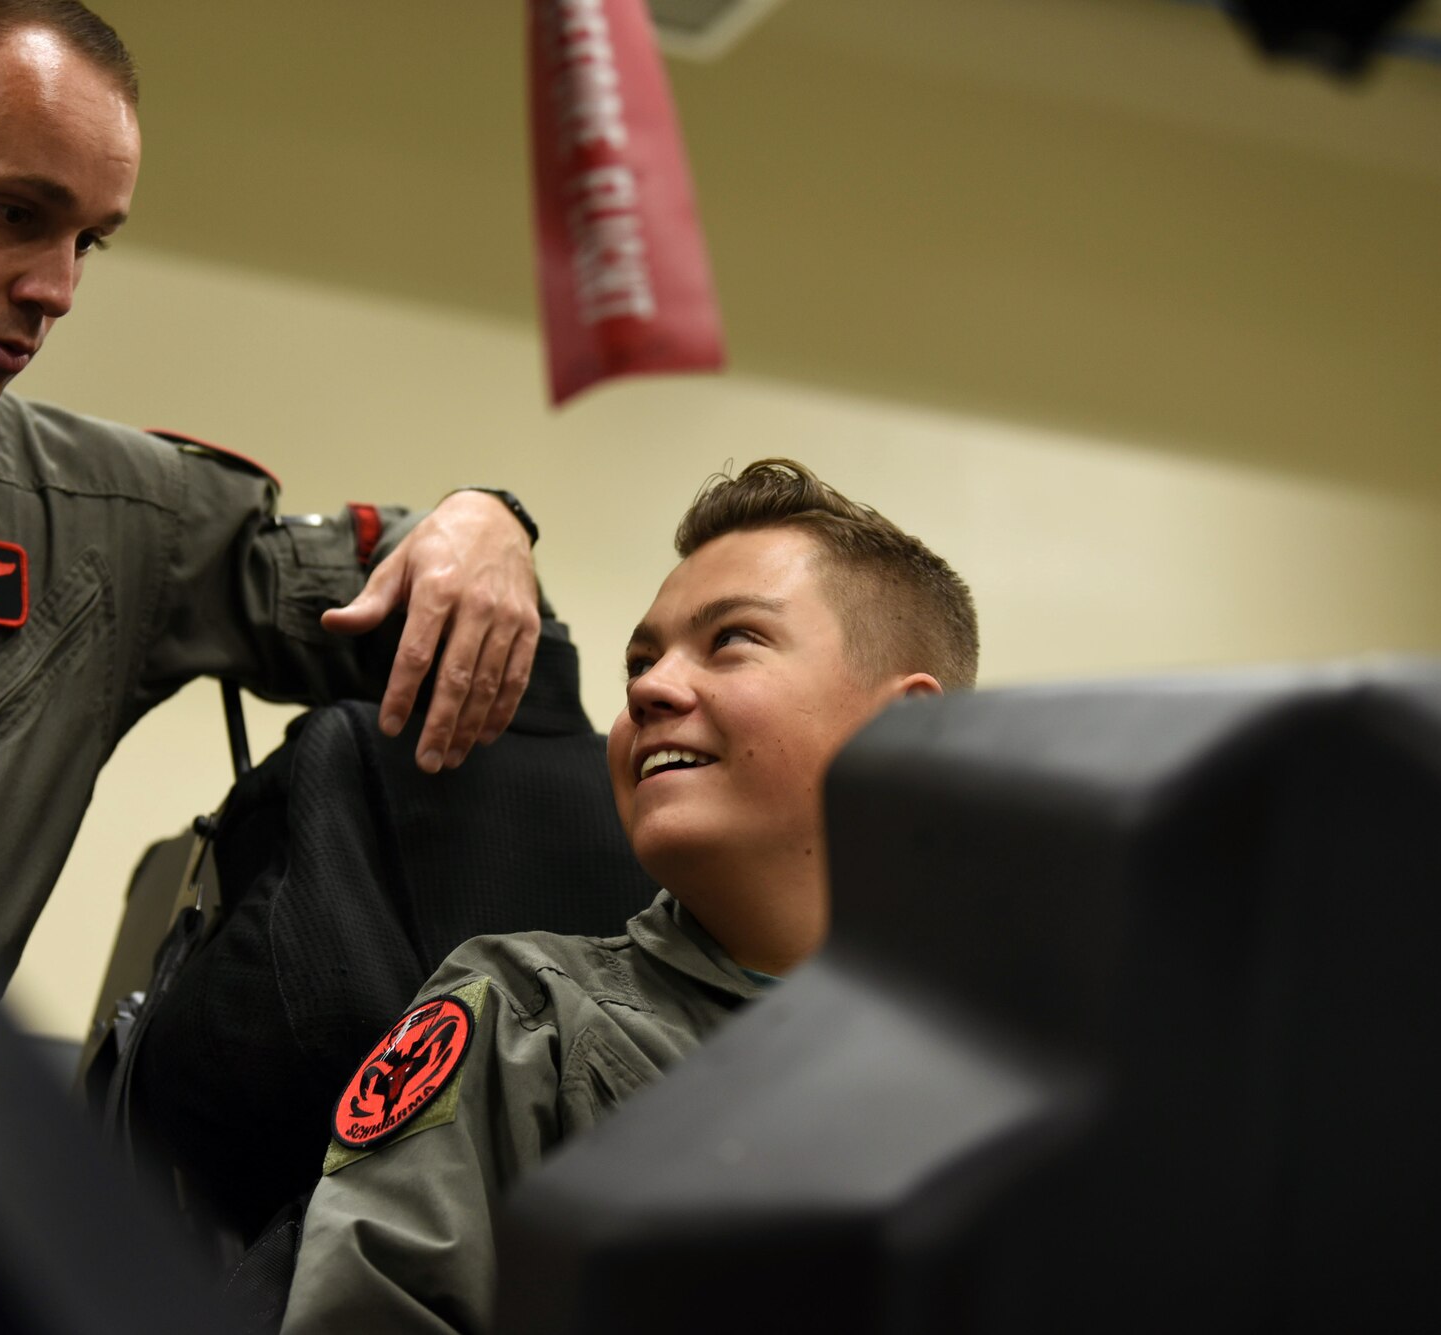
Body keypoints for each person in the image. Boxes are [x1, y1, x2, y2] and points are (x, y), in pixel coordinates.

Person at [0, 0, 544, 980]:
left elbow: (403, 573)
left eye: (88, 241)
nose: (54, 289)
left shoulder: (115, 521)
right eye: (17, 215)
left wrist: (487, 518)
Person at [280, 459, 979, 1334]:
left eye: (731, 640)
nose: (648, 688)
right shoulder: (528, 1020)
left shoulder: (1034, 1052)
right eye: (641, 662)